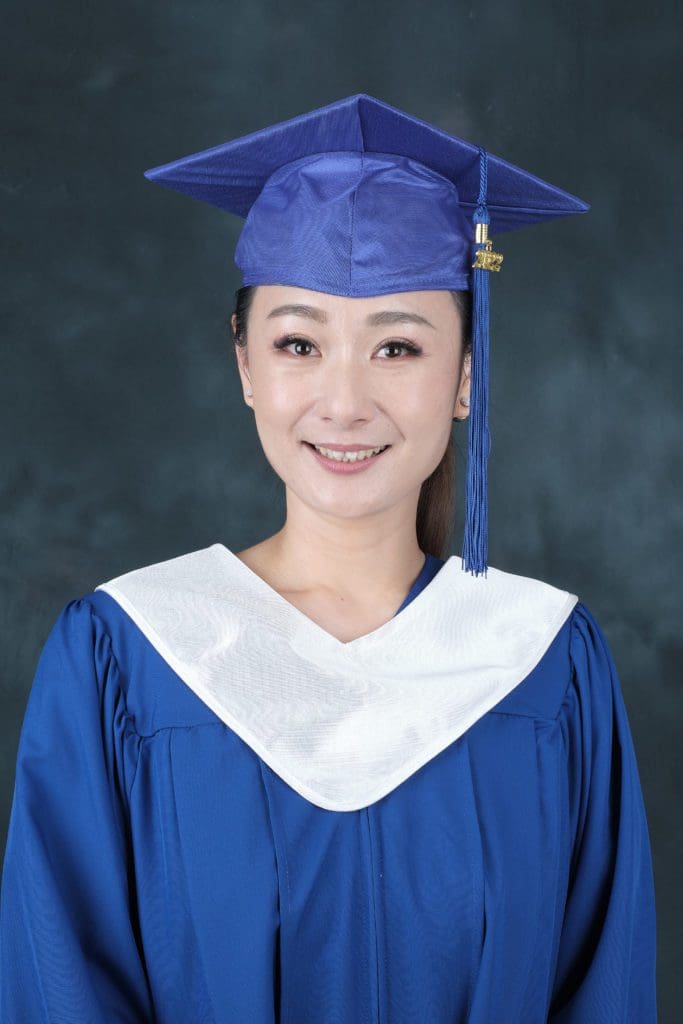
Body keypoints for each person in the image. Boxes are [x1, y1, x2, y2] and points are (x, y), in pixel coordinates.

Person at [0, 94, 657, 1022]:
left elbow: (604, 989)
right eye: (298, 343)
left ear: (466, 375)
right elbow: (58, 987)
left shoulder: (546, 662)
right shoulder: (129, 655)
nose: (343, 403)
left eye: (397, 346)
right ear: (244, 367)